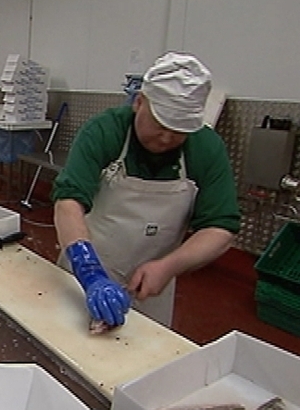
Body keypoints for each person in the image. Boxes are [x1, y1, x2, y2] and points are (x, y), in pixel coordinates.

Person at [52, 52, 240, 328]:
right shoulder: (104, 131)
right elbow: (67, 203)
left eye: (178, 131)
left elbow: (220, 230)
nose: (166, 137)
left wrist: (169, 267)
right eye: (160, 124)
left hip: (152, 289)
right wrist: (90, 272)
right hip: (83, 276)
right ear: (140, 102)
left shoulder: (206, 148)